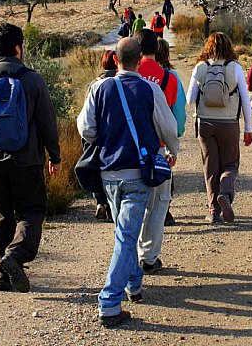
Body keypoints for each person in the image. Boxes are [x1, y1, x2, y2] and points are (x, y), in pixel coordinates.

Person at [77, 37, 178, 327]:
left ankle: (134, 283)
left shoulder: (99, 88)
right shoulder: (150, 88)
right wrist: (172, 151)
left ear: (117, 59)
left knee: (124, 232)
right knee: (125, 236)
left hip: (109, 174)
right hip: (138, 173)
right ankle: (109, 302)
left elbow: (86, 128)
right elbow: (168, 127)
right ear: (138, 59)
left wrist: (105, 140)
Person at [0, 23, 61, 293]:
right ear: (19, 48)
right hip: (27, 160)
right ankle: (15, 256)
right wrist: (55, 155)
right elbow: (47, 123)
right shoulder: (32, 79)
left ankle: (3, 278)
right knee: (33, 211)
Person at [186, 32, 252, 224]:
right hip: (229, 122)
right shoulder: (235, 68)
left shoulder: (200, 67)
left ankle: (213, 210)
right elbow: (245, 100)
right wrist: (248, 128)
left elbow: (190, 99)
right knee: (230, 164)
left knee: (210, 166)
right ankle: (225, 192)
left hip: (205, 124)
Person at [134, 28, 179, 271]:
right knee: (158, 203)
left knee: (131, 204)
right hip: (156, 149)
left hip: (129, 149)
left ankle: (129, 255)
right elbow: (169, 115)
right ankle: (148, 255)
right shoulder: (168, 78)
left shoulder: (129, 74)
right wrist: (173, 150)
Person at [155, 38, 187, 226]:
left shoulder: (141, 73)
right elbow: (179, 109)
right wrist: (177, 133)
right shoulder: (171, 77)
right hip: (165, 134)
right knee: (166, 173)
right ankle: (165, 210)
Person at [93, 50, 117, 221]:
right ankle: (112, 205)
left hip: (98, 135)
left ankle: (101, 202)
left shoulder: (95, 84)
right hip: (117, 135)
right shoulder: (120, 83)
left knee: (96, 168)